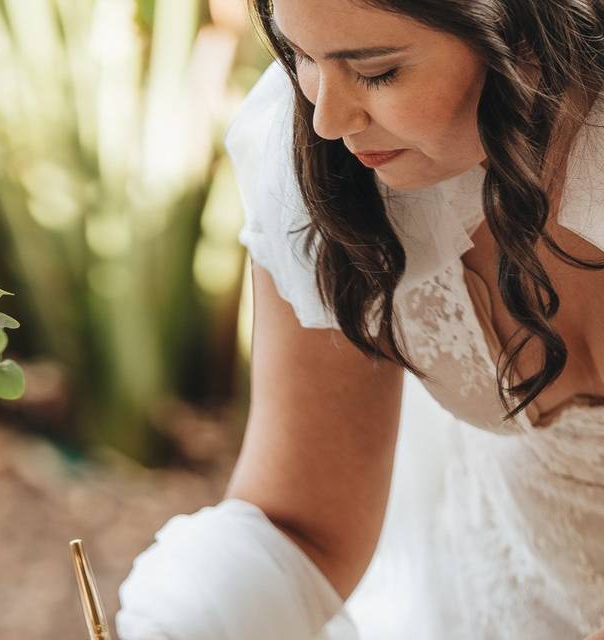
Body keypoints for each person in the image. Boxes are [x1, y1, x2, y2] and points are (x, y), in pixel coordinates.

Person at [115, 0, 604, 638]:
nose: (326, 122)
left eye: (378, 73)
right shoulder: (327, 165)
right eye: (302, 56)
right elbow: (306, 524)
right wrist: (189, 615)